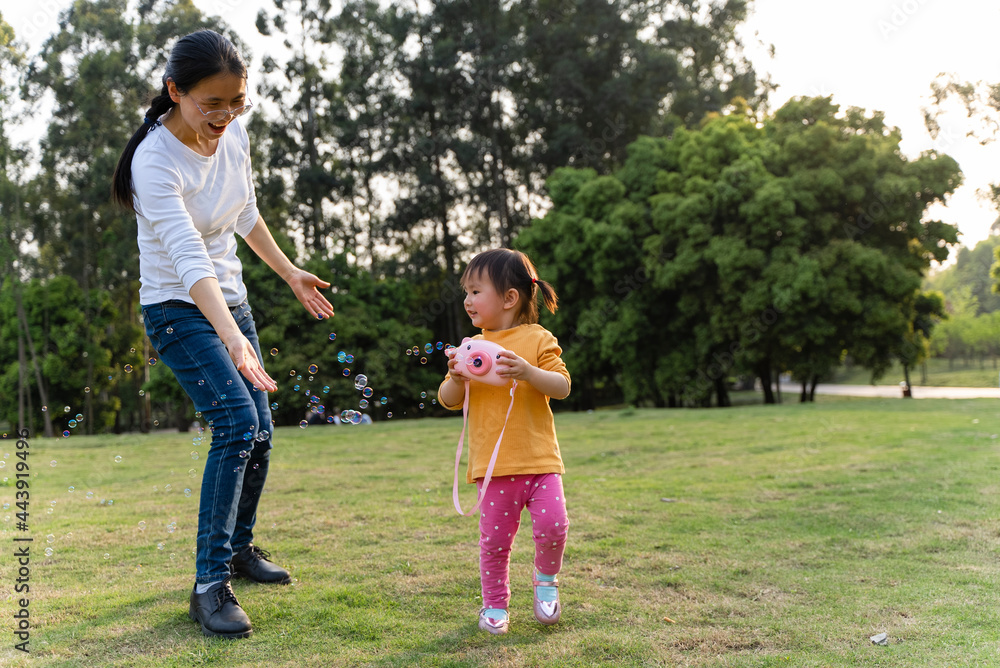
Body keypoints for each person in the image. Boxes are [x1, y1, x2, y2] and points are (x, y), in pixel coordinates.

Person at [111, 29, 335, 639]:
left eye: (237, 101)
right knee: (237, 422)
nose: (226, 114)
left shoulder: (233, 132)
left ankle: (238, 549)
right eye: (212, 103)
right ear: (175, 92)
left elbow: (245, 213)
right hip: (176, 309)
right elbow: (188, 258)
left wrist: (289, 274)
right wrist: (231, 337)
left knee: (260, 432)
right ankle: (209, 586)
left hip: (232, 301)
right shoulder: (154, 161)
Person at [437, 248, 571, 635]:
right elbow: (447, 400)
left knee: (555, 526)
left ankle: (546, 581)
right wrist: (456, 378)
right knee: (495, 541)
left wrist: (528, 371)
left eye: (476, 291)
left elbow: (562, 386)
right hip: (494, 469)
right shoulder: (471, 348)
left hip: (540, 462)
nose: (467, 300)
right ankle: (495, 604)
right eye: (466, 292)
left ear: (510, 298)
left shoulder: (538, 339)